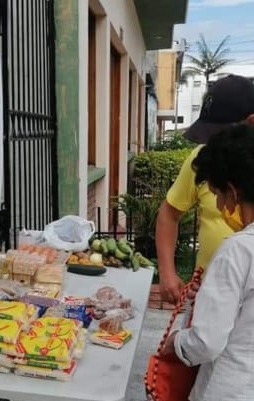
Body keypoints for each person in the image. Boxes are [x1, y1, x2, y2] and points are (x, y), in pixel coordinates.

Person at [161, 123, 254, 400]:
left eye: (218, 195)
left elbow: (206, 342)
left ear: (233, 192)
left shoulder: (238, 250)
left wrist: (174, 342)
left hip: (229, 387)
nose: (222, 206)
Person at [155, 74, 254, 305]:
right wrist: (167, 272)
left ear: (251, 123)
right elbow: (169, 213)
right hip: (209, 297)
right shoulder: (206, 160)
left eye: (219, 137)